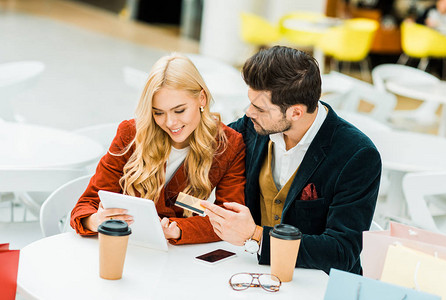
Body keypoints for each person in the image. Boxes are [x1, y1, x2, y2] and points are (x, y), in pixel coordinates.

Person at [201, 46, 381, 274]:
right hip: (253, 274)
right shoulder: (253, 127)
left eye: (259, 108)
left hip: (319, 284)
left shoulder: (357, 155)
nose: (248, 113)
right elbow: (209, 143)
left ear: (295, 113)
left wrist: (255, 235)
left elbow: (341, 252)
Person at [70, 54, 246, 245]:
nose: (170, 123)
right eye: (158, 113)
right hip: (124, 245)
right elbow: (85, 206)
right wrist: (96, 220)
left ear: (201, 98)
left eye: (179, 110)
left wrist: (177, 230)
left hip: (176, 255)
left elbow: (228, 220)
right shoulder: (131, 134)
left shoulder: (228, 145)